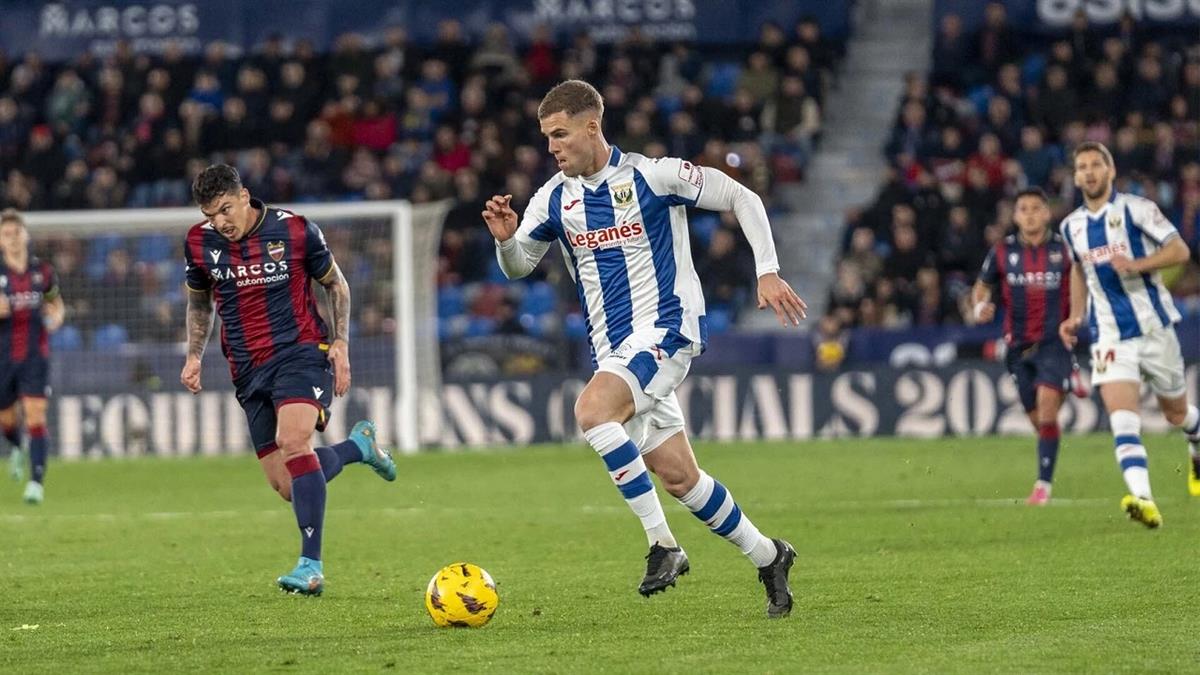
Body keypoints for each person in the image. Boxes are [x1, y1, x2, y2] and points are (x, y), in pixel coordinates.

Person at [482, 80, 808, 618]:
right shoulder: (553, 199)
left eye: (560, 134)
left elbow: (741, 196)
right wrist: (504, 239)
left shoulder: (653, 175)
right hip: (614, 350)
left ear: (592, 126)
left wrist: (767, 270)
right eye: (546, 138)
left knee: (591, 411)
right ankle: (769, 554)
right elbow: (520, 266)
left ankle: (663, 545)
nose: (552, 147)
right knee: (679, 476)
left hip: (668, 330)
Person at [181, 164, 396, 594]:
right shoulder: (198, 242)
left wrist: (340, 343)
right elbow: (199, 302)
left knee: (295, 441)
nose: (220, 222)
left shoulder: (295, 230)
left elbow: (336, 285)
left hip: (301, 352)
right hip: (247, 369)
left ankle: (310, 566)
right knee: (286, 485)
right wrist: (193, 355)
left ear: (245, 197)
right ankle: (359, 447)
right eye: (210, 215)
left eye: (225, 209)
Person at [1058, 142, 1200, 528]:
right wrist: (1075, 315)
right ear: (1075, 177)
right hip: (1109, 336)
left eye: (1095, 165)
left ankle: (1196, 441)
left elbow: (1179, 250)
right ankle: (1144, 498)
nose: (1088, 172)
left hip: (1154, 328)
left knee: (1176, 413)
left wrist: (1137, 264)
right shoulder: (1071, 227)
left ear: (1110, 170)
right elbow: (1076, 269)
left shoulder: (1137, 209)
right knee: (1123, 418)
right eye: (1081, 167)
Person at [971, 187, 1082, 505]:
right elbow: (981, 288)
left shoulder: (1065, 250)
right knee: (1038, 420)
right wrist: (980, 308)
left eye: (1037, 208)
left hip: (1054, 343)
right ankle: (1050, 446)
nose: (1030, 214)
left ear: (1047, 213)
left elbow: (1083, 286)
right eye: (1024, 209)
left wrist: (1076, 318)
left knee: (1047, 410)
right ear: (1016, 215)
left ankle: (1042, 487)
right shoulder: (1003, 251)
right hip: (1017, 347)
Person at [0, 209, 65, 504]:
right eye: (6, 234)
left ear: (25, 235)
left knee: (36, 415)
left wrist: (57, 315)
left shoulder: (44, 272)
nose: (13, 239)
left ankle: (36, 482)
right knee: (8, 420)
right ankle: (15, 446)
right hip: (3, 359)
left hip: (35, 356)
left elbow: (55, 302)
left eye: (17, 232)